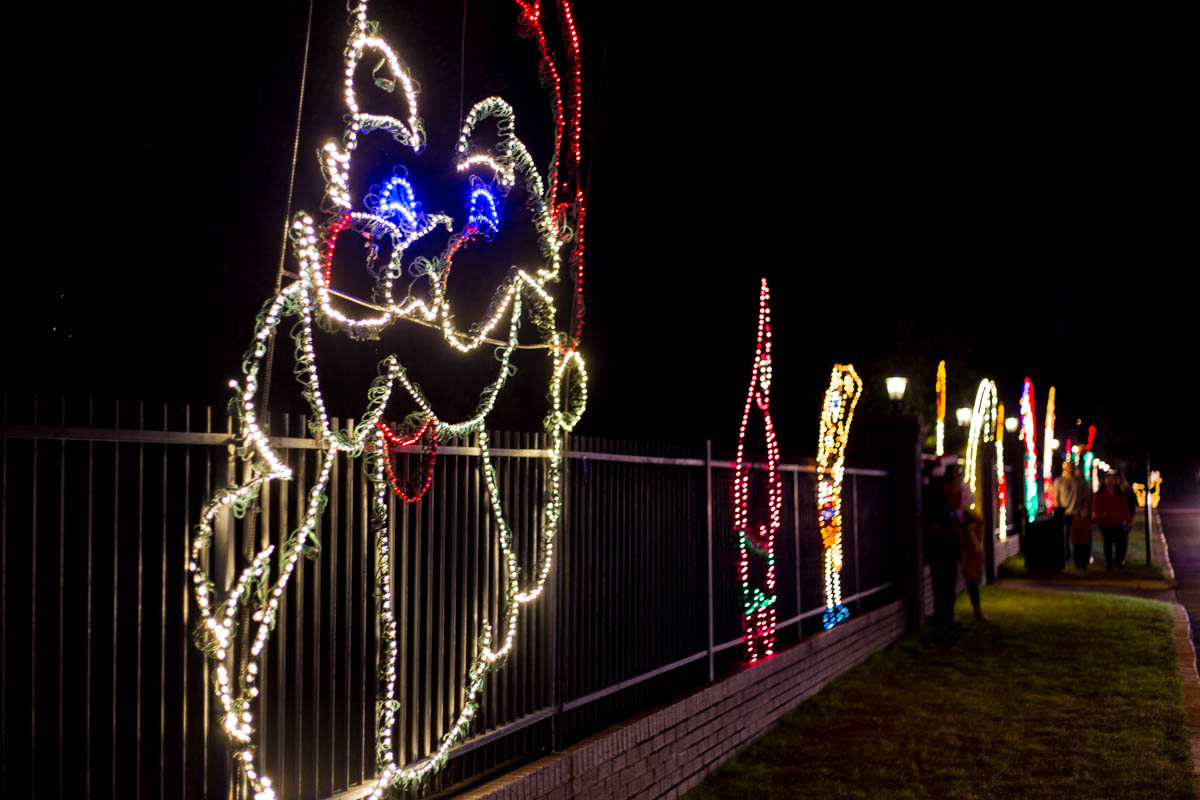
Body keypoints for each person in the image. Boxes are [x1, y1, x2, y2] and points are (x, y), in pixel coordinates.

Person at [924, 459, 963, 626]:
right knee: (942, 580)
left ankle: (947, 613)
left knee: (947, 580)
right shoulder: (933, 492)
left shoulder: (941, 493)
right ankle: (943, 614)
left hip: (946, 544)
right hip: (940, 544)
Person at [958, 484, 987, 620]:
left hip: (969, 555)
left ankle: (977, 609)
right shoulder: (960, 514)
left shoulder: (969, 516)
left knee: (972, 582)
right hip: (963, 553)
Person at [1093, 471, 1133, 570]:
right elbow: (1096, 506)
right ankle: (1109, 563)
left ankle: (1118, 561)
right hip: (1105, 523)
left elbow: (1125, 507)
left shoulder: (1119, 493)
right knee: (1108, 544)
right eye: (1108, 479)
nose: (1110, 481)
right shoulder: (1100, 493)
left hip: (1118, 522)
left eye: (1112, 479)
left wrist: (1128, 520)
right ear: (1105, 481)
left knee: (1120, 543)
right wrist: (1101, 514)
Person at [1053, 463, 1081, 561]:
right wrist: (1059, 511)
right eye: (1068, 467)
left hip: (1077, 513)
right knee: (1064, 537)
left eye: (1072, 467)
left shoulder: (1079, 482)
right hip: (1064, 514)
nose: (1070, 469)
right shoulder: (1059, 481)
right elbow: (1055, 497)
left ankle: (1078, 558)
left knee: (1078, 537)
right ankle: (1065, 556)